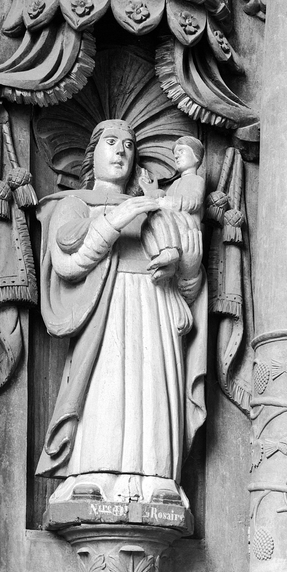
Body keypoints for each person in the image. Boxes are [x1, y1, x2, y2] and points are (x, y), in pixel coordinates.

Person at [36, 120, 207, 505]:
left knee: (154, 388)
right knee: (107, 388)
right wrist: (118, 216)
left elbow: (189, 291)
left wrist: (189, 263)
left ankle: (159, 479)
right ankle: (91, 473)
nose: (121, 151)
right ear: (92, 153)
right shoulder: (74, 204)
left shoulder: (157, 209)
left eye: (128, 145)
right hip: (107, 311)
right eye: (111, 142)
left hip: (155, 308)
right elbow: (69, 262)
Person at [141, 136, 205, 284]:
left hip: (186, 226)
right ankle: (165, 262)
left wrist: (165, 202)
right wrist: (153, 192)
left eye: (181, 151)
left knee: (159, 216)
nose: (176, 156)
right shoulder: (176, 183)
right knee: (146, 226)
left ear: (196, 157)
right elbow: (163, 201)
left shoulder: (196, 180)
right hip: (172, 227)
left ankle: (169, 253)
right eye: (175, 153)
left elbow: (192, 202)